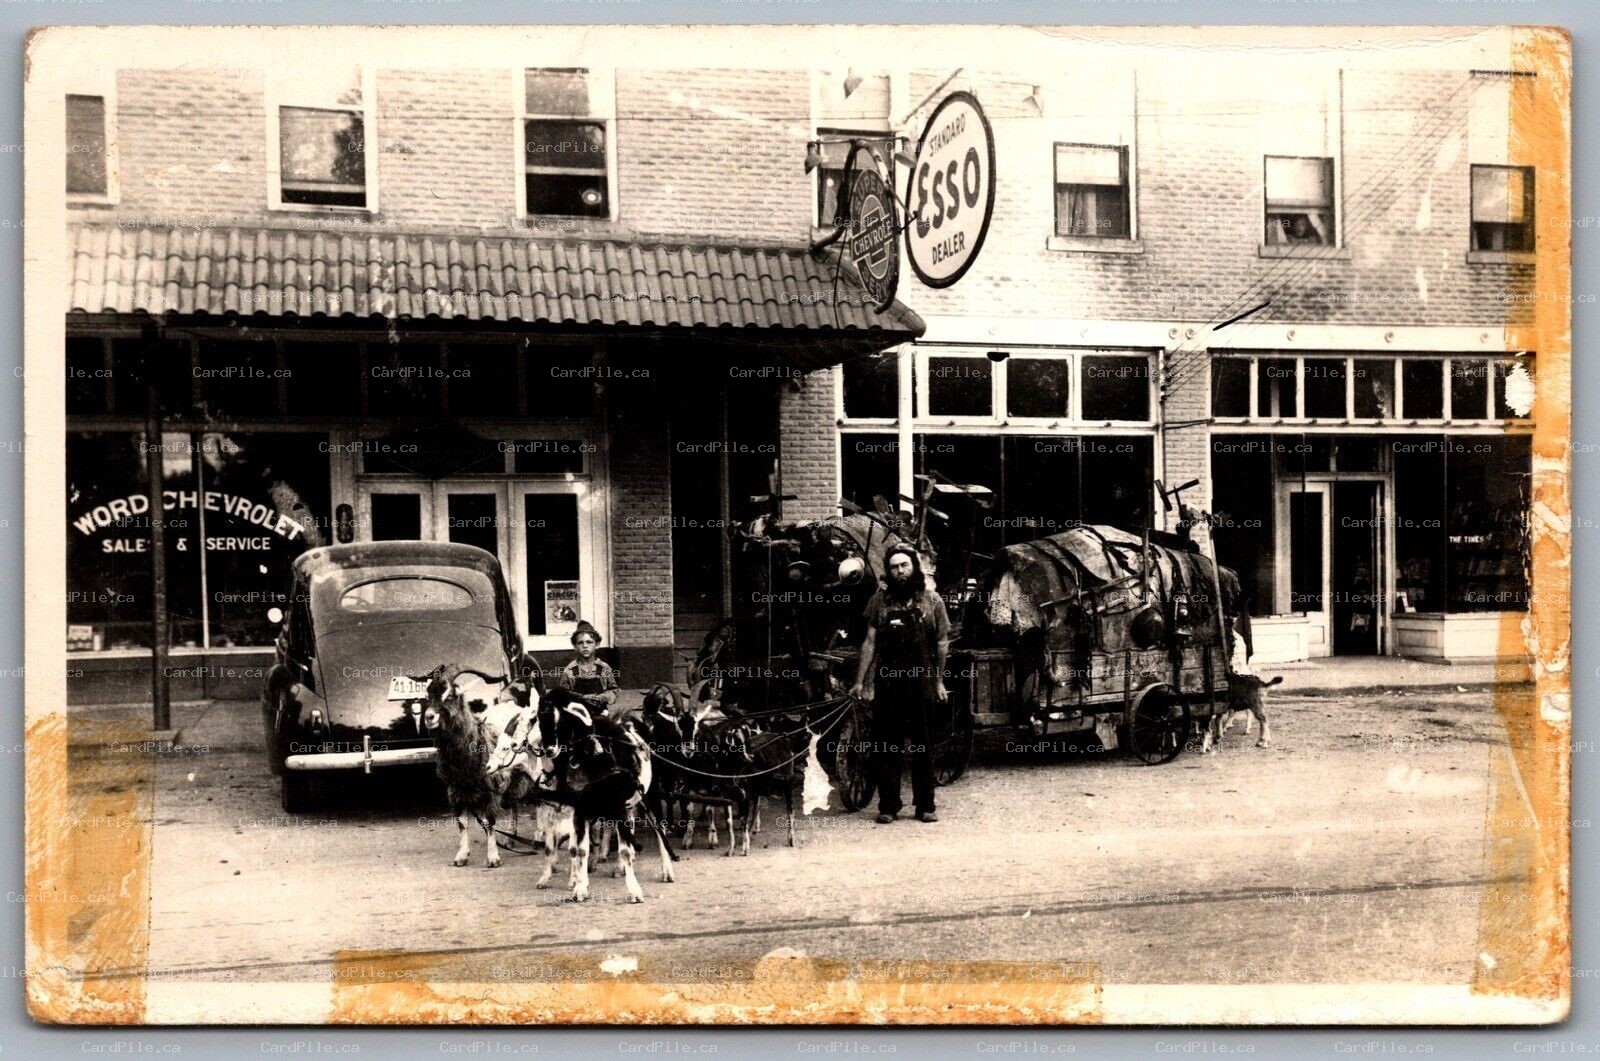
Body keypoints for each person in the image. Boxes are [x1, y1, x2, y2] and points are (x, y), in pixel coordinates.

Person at [849, 544, 951, 824]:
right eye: (894, 567)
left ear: (914, 568)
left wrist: (939, 681)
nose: (899, 571)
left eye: (904, 565)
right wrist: (860, 682)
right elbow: (869, 642)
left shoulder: (933, 601)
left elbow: (942, 643)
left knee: (923, 745)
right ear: (889, 572)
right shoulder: (879, 602)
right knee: (887, 745)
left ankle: (925, 806)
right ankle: (889, 805)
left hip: (922, 682)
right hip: (889, 683)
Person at [558, 620, 620, 716]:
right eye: (580, 643)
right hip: (577, 713)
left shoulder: (604, 668)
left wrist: (602, 698)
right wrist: (582, 697)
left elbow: (614, 690)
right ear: (574, 646)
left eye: (589, 642)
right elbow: (562, 694)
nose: (585, 646)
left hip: (600, 712)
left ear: (597, 644)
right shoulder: (569, 670)